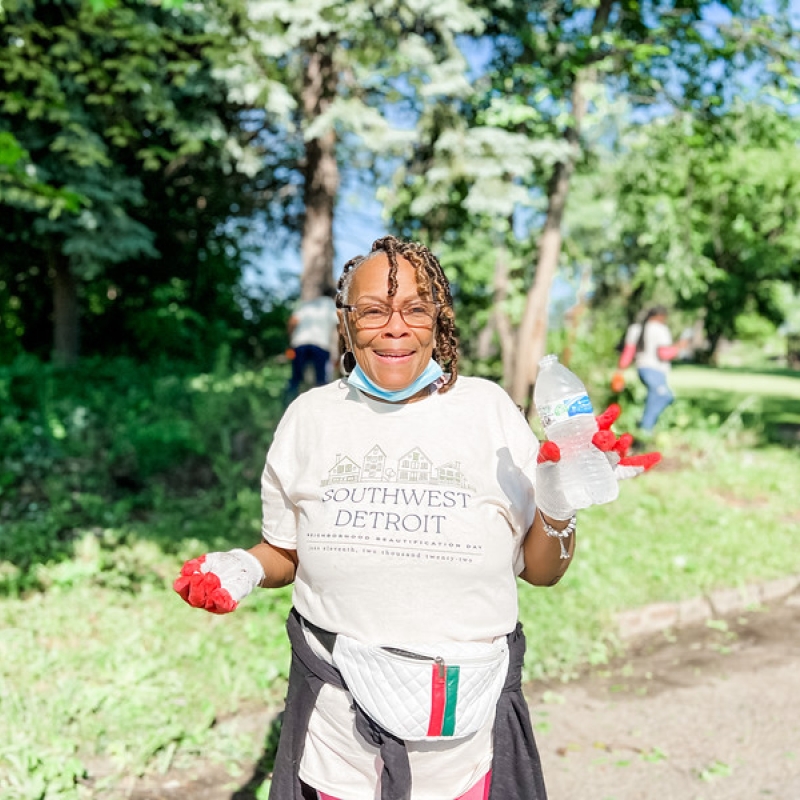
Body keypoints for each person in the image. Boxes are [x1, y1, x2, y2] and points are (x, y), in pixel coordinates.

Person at [174, 236, 660, 800]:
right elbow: (286, 550)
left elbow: (543, 571)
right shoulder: (310, 417)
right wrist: (244, 566)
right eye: (374, 310)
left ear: (439, 318)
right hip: (337, 719)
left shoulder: (488, 411)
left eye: (415, 308)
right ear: (346, 322)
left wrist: (556, 505)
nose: (395, 327)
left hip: (467, 724)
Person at [617, 305, 689, 435]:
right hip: (655, 371)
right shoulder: (660, 329)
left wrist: (619, 371)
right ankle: (645, 429)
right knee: (664, 396)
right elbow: (663, 354)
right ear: (660, 316)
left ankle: (645, 425)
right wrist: (679, 347)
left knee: (656, 397)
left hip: (642, 370)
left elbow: (628, 353)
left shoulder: (635, 329)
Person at [284, 286, 339, 401]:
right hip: (320, 345)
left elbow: (293, 321)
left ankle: (287, 404)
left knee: (296, 377)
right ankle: (321, 405)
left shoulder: (307, 305)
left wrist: (290, 340)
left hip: (299, 344)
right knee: (321, 380)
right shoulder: (331, 306)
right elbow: (341, 324)